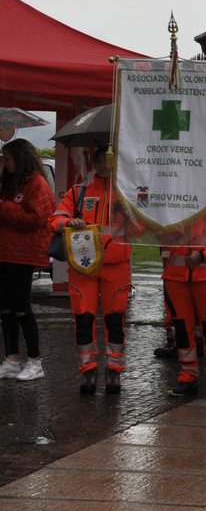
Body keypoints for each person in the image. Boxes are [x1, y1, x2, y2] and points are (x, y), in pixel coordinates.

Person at [50, 144, 137, 395]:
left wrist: (128, 214)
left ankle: (114, 371)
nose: (103, 165)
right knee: (84, 318)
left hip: (116, 267)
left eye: (107, 161)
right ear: (93, 164)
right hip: (83, 267)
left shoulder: (127, 194)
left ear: (115, 164)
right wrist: (69, 221)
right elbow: (54, 220)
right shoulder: (78, 192)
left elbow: (142, 230)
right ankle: (87, 371)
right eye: (99, 161)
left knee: (115, 320)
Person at [161, 195, 206, 401]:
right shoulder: (175, 205)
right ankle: (187, 377)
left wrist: (203, 256)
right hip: (176, 277)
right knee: (182, 329)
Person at [0, 139, 53, 382]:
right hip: (5, 252)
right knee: (6, 308)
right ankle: (11, 359)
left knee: (22, 307)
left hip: (23, 254)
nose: (5, 163)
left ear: (20, 158)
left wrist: (3, 206)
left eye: (8, 158)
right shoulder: (10, 183)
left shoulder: (36, 184)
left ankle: (35, 361)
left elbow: (35, 218)